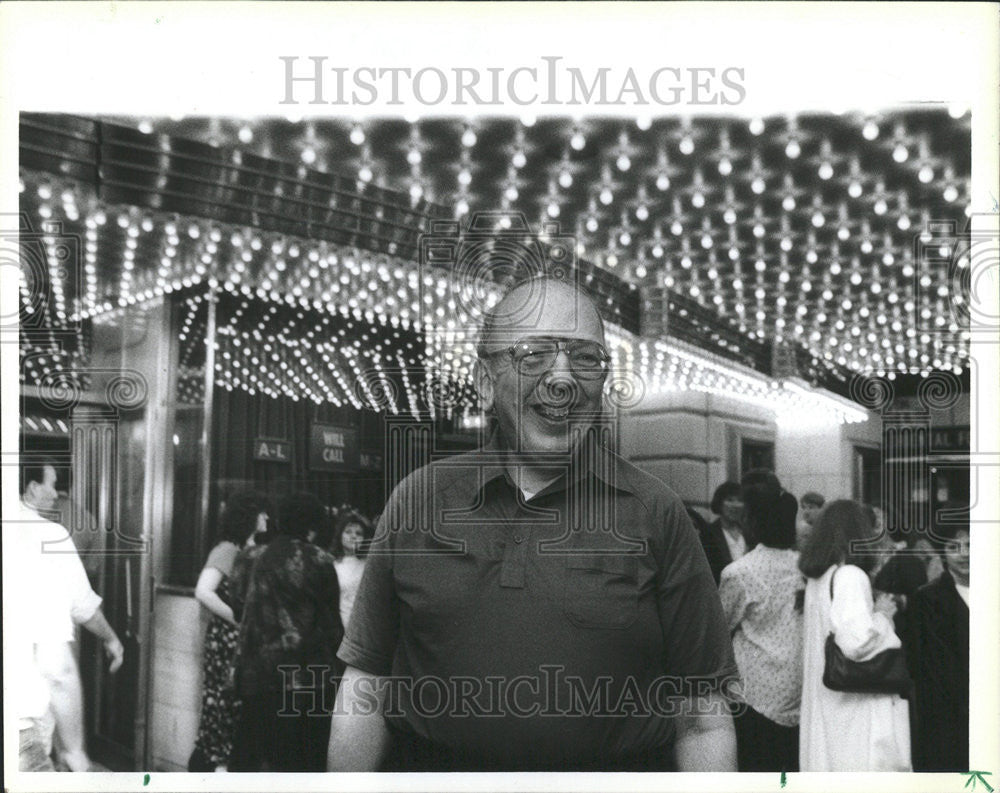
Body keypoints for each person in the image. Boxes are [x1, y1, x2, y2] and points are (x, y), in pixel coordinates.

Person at [327, 274, 738, 772]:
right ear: (484, 383)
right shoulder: (418, 500)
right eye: (533, 354)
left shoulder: (657, 511)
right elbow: (366, 682)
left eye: (586, 358)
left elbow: (702, 717)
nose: (563, 379)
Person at [9, 460, 124, 772]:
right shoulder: (49, 534)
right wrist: (75, 750)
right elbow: (58, 665)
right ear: (32, 488)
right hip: (18, 732)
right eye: (51, 484)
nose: (55, 494)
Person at [228, 491, 343, 772]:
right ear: (313, 526)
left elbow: (236, 607)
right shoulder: (320, 560)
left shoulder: (248, 557)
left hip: (257, 676)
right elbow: (332, 626)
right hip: (309, 682)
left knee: (251, 761)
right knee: (302, 765)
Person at [798, 500, 910, 771]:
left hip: (829, 700)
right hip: (854, 703)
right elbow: (857, 642)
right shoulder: (850, 575)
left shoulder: (819, 577)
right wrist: (883, 614)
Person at [719, 473, 803, 772]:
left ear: (751, 521)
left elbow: (719, 628)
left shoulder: (741, 572)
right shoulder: (805, 567)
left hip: (756, 692)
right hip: (798, 688)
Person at [187, 492, 270, 772]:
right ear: (249, 517)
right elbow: (203, 591)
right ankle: (216, 764)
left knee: (233, 703)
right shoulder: (227, 550)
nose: (266, 517)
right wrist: (239, 620)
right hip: (227, 640)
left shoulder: (244, 550)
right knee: (225, 701)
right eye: (261, 512)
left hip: (238, 639)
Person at [908, 521, 969, 771]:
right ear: (942, 552)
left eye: (970, 545)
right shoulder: (927, 598)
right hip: (949, 717)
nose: (964, 553)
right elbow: (931, 665)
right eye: (954, 546)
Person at [329, 509, 375, 629]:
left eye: (358, 533)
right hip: (341, 628)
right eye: (348, 532)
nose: (353, 536)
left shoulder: (370, 566)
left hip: (367, 627)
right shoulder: (332, 566)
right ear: (340, 535)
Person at [698, 482, 747, 585]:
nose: (735, 505)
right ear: (720, 503)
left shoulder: (749, 533)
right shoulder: (708, 534)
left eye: (740, 500)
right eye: (730, 500)